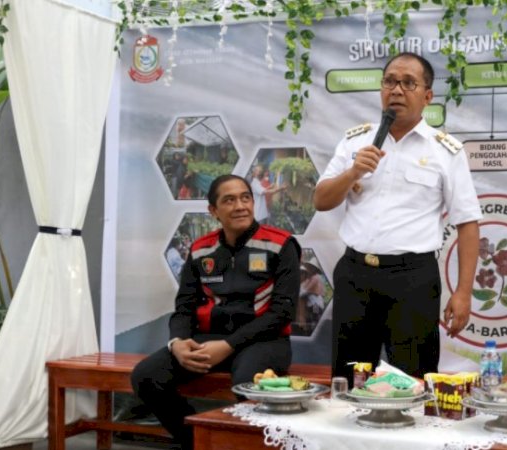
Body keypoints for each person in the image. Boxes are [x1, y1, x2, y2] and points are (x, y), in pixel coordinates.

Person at [313, 52, 481, 384]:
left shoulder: (445, 150)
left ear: (427, 96)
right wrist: (353, 171)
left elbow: (467, 223)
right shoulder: (355, 141)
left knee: (414, 382)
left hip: (412, 280)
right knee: (347, 381)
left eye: (408, 83)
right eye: (390, 81)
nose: (397, 90)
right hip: (355, 275)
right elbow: (321, 200)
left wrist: (463, 292)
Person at [131, 174, 301, 450]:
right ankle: (198, 443)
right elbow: (184, 306)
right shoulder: (201, 250)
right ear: (213, 211)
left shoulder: (281, 245)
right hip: (209, 340)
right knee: (146, 377)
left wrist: (228, 345)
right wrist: (178, 343)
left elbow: (282, 313)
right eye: (229, 200)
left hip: (264, 341)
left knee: (247, 385)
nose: (241, 206)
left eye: (245, 198)